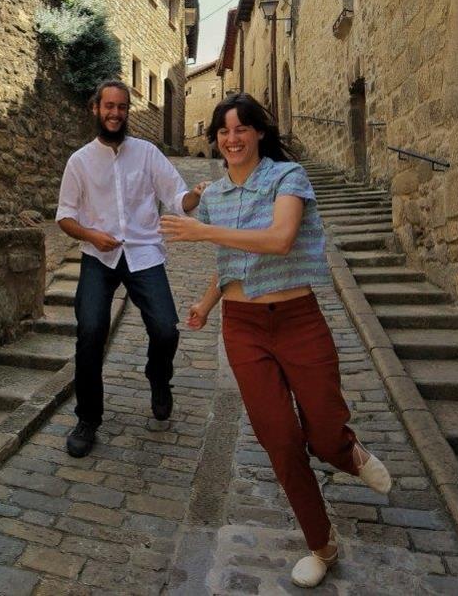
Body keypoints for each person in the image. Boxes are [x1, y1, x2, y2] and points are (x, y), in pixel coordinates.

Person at [160, 93, 392, 589]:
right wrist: (206, 303)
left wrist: (204, 232)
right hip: (243, 328)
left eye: (241, 128)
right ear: (216, 139)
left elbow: (280, 239)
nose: (232, 138)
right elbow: (231, 263)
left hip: (298, 320)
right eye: (223, 131)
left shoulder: (289, 177)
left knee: (324, 434)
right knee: (280, 439)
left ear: (259, 132)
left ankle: (347, 453)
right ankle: (321, 543)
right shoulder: (215, 196)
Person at [56, 79, 206, 458]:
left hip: (144, 254)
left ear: (127, 111)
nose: (115, 113)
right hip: (99, 257)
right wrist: (91, 235)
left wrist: (194, 195)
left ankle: (158, 376)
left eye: (122, 107)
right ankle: (88, 419)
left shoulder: (148, 153)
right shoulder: (79, 162)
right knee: (90, 332)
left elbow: (177, 197)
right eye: (109, 106)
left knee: (165, 330)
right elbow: (65, 216)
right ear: (96, 108)